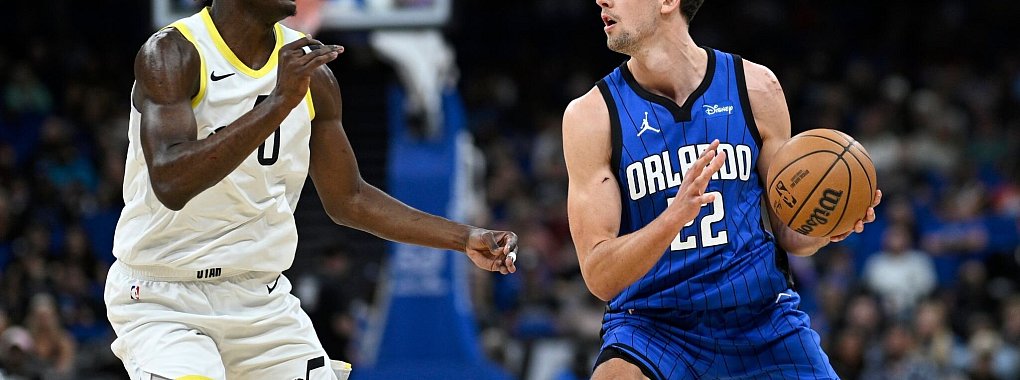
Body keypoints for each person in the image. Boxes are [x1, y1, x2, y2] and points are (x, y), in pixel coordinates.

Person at [105, 1, 518, 379]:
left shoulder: (312, 71)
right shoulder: (173, 53)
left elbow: (349, 199)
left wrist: (464, 238)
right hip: (163, 297)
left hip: (258, 298)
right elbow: (170, 181)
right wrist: (279, 102)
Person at [561, 0, 881, 378]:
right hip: (652, 326)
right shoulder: (591, 116)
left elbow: (790, 233)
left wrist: (824, 226)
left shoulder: (756, 87)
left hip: (761, 317)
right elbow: (599, 275)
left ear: (668, 2)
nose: (602, 0)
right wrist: (673, 217)